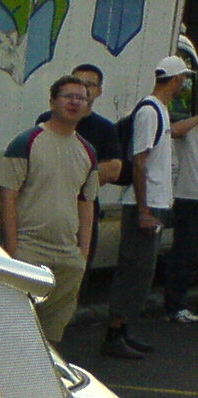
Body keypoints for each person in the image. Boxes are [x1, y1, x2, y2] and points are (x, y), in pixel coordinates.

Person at [103, 55, 198, 356]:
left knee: (142, 272)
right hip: (143, 204)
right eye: (183, 78)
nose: (184, 84)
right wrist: (144, 211)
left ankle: (123, 330)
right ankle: (114, 334)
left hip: (154, 202)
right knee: (133, 269)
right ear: (175, 79)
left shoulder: (160, 110)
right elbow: (140, 161)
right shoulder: (150, 111)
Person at [0, 75, 99, 348]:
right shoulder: (27, 142)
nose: (74, 102)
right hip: (29, 250)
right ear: (52, 101)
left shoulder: (87, 151)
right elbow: (7, 195)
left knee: (51, 336)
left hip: (67, 257)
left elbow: (86, 202)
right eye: (68, 96)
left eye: (81, 98)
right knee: (15, 330)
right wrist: (12, 248)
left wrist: (82, 253)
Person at [36, 62, 122, 268]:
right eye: (77, 82)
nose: (82, 89)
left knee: (76, 273)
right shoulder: (46, 120)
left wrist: (71, 176)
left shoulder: (104, 128)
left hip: (82, 215)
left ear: (99, 91)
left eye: (89, 85)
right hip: (44, 213)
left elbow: (114, 169)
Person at [163, 116, 198, 324]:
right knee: (184, 253)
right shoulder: (190, 127)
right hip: (190, 197)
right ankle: (175, 306)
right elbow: (172, 131)